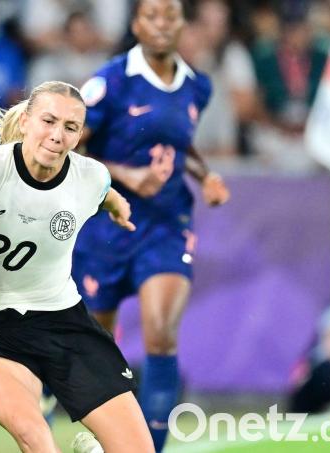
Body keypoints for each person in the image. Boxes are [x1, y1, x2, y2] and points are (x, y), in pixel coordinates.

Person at [0, 81, 154, 453]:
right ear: (25, 121)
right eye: (48, 121)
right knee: (38, 440)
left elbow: (103, 192)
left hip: (66, 323)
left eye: (71, 127)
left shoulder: (89, 176)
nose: (58, 135)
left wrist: (118, 205)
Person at [73, 0, 230, 451]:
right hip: (108, 225)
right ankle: (90, 421)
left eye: (170, 15)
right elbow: (73, 152)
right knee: (97, 344)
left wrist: (206, 176)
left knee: (160, 333)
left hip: (166, 224)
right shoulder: (110, 81)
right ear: (136, 24)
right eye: (152, 15)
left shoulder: (197, 85)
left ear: (183, 24)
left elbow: (181, 147)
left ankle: (150, 445)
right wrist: (126, 176)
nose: (162, 24)